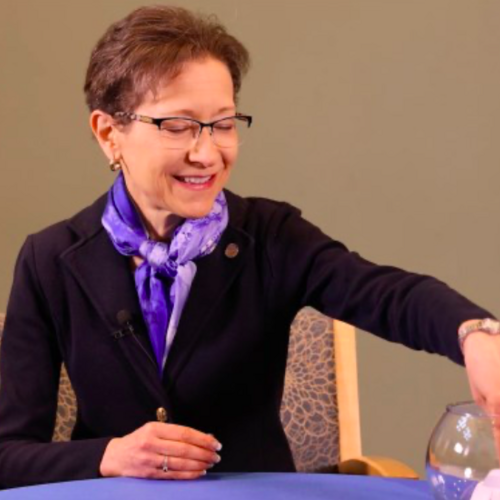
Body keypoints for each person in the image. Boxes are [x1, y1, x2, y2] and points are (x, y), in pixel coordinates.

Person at [0, 4, 499, 490]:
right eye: (178, 126)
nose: (207, 152)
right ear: (109, 133)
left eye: (222, 123)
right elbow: (8, 454)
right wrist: (108, 455)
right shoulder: (50, 260)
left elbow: (388, 294)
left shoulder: (271, 236)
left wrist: (475, 334)